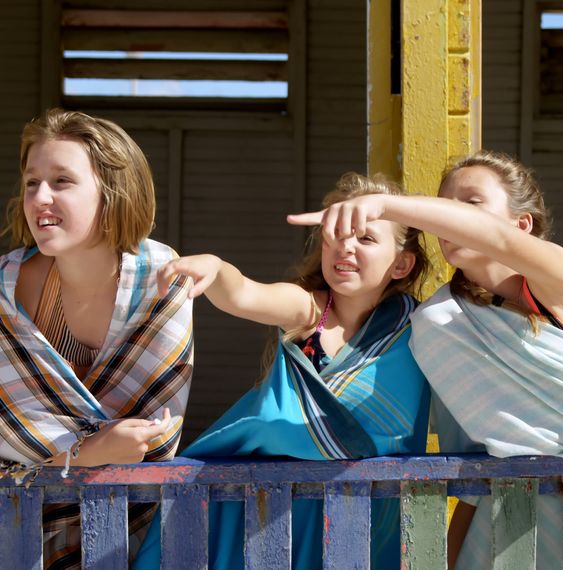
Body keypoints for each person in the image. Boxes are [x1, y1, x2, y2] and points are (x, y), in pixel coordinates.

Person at [288, 150, 563, 569]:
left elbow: (501, 242)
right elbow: (474, 458)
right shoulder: (437, 323)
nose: (448, 216)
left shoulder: (560, 281)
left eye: (468, 204)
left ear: (521, 224)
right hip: (528, 515)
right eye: (443, 205)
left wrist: (385, 205)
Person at [133, 173, 432, 569]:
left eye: (365, 238)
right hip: (275, 512)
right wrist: (218, 269)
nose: (344, 247)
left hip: (368, 515)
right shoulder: (308, 310)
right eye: (334, 236)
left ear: (402, 263)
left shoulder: (424, 328)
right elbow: (244, 294)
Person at [0, 109, 193, 569]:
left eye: (62, 181)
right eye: (32, 182)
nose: (39, 198)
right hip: (14, 525)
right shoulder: (7, 281)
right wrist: (88, 452)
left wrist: (89, 452)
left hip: (128, 529)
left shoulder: (162, 277)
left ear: (112, 193)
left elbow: (156, 433)